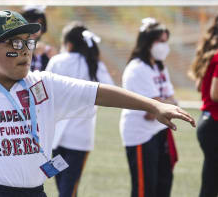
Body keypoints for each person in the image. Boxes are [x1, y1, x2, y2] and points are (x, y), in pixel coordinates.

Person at [0, 10, 195, 197]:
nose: (26, 51)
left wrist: (153, 106)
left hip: (35, 192)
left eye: (28, 42)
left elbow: (99, 92)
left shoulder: (45, 84)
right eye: (14, 44)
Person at [46, 22, 114, 197]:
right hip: (80, 138)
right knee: (69, 188)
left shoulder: (57, 61)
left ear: (68, 44)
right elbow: (111, 90)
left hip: (55, 136)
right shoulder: (93, 64)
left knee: (61, 184)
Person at [120, 18, 179, 197]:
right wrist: (164, 104)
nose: (164, 46)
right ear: (147, 42)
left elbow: (170, 102)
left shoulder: (160, 67)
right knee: (145, 189)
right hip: (141, 135)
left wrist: (163, 103)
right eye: (160, 41)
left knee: (163, 185)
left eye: (166, 41)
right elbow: (152, 112)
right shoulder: (137, 69)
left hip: (159, 132)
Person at [188, 15, 218, 197]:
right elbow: (215, 94)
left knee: (210, 182)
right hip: (214, 123)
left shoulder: (211, 52)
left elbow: (199, 85)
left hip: (207, 120)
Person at [21, 6, 51, 71]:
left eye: (39, 24)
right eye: (31, 23)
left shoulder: (47, 52)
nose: (35, 29)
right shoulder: (13, 48)